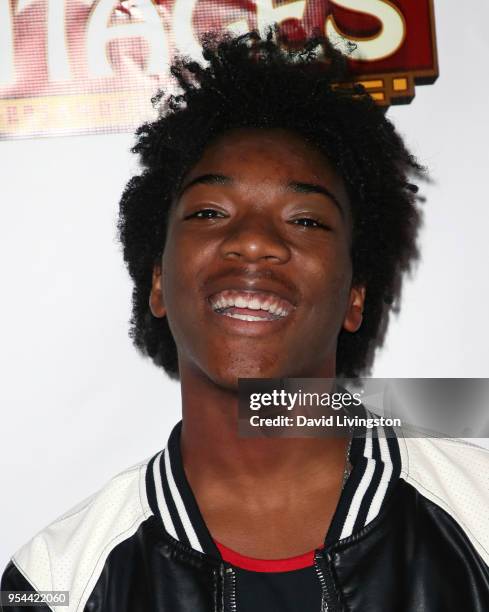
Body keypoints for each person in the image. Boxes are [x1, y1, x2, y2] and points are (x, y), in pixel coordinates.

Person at [2, 27, 489, 612]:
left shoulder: (478, 510)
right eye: (210, 211)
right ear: (157, 281)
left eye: (306, 220)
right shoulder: (53, 581)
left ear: (356, 295)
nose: (254, 242)